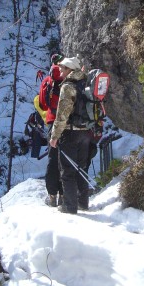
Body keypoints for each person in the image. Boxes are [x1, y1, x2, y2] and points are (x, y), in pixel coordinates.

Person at [49, 56, 91, 214]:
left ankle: (69, 207)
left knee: (67, 170)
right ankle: (83, 202)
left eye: (62, 68)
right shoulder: (86, 82)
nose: (60, 70)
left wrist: (54, 136)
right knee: (81, 167)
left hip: (70, 132)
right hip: (86, 132)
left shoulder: (68, 86)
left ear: (70, 70)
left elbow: (62, 114)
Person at [40, 62, 64, 207]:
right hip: (66, 123)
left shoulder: (48, 80)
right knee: (64, 158)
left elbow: (43, 103)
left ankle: (52, 195)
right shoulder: (68, 77)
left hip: (51, 122)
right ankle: (63, 193)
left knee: (52, 158)